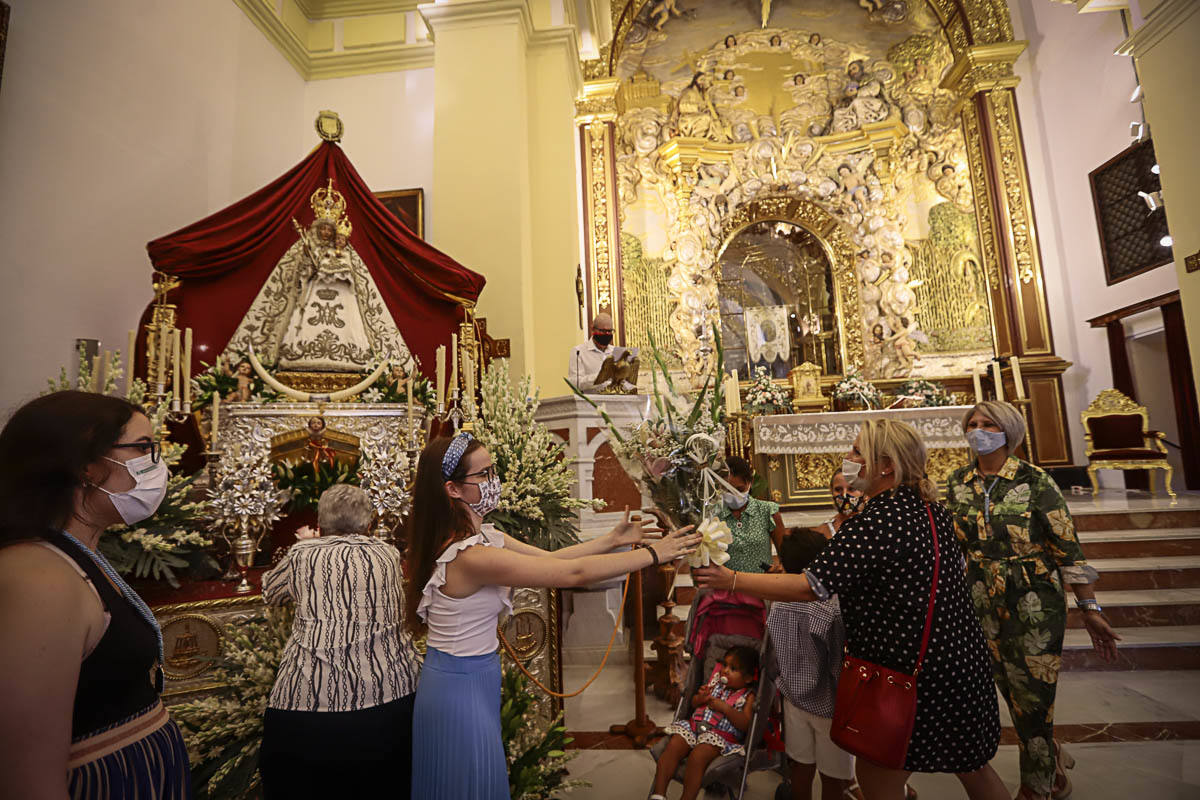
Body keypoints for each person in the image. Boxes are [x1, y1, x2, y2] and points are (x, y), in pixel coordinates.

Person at [694, 419, 1007, 800]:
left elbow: (810, 586)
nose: (848, 458)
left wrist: (730, 580)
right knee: (972, 768)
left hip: (904, 675)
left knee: (879, 779)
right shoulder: (932, 510)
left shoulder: (876, 521)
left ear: (886, 466)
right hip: (958, 663)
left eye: (858, 451)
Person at [405, 432, 700, 799]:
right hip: (455, 687)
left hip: (474, 676)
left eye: (491, 470)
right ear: (452, 489)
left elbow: (548, 560)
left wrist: (611, 539)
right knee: (467, 780)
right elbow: (570, 577)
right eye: (483, 475)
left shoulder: (486, 537)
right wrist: (654, 555)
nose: (493, 481)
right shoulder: (470, 556)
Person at [0, 391, 191, 799]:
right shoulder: (39, 577)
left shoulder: (75, 554)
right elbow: (26, 777)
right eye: (142, 448)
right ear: (86, 466)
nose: (157, 465)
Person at [947, 401, 1119, 800]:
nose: (978, 429)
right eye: (972, 423)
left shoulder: (1035, 480)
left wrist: (1090, 609)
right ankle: (1051, 754)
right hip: (980, 598)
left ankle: (1037, 784)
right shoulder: (958, 481)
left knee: (1034, 695)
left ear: (1008, 430)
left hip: (1034, 598)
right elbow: (953, 543)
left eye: (987, 423)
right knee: (1010, 689)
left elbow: (1067, 548)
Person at [259, 483, 421, 799]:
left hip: (305, 705)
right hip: (388, 700)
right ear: (369, 524)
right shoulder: (387, 553)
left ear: (320, 525)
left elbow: (270, 592)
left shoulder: (301, 554)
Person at [767, 528, 855, 800]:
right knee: (833, 778)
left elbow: (772, 655)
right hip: (830, 705)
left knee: (801, 768)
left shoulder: (778, 603)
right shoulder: (831, 607)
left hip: (793, 698)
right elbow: (837, 664)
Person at [649, 646, 760, 800]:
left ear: (748, 678)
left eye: (733, 668)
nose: (725, 670)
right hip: (694, 727)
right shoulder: (715, 683)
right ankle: (658, 794)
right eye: (725, 665)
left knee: (697, 756)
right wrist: (700, 698)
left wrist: (726, 709)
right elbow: (694, 703)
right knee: (673, 746)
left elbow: (745, 723)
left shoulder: (748, 696)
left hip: (719, 737)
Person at [718, 456, 787, 573]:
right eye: (728, 490)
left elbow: (785, 555)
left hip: (761, 586)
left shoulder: (767, 511)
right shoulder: (714, 514)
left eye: (739, 489)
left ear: (750, 483)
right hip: (727, 588)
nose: (734, 495)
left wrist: (779, 568)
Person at [810, 466, 865, 540]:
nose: (844, 495)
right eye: (838, 489)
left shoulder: (875, 523)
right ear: (832, 492)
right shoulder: (823, 531)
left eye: (852, 489)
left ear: (863, 492)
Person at [567, 311, 616, 392]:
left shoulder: (616, 352)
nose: (607, 334)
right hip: (590, 403)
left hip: (617, 402)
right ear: (592, 330)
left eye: (610, 331)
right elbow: (575, 383)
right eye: (603, 331)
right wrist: (600, 377)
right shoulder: (578, 352)